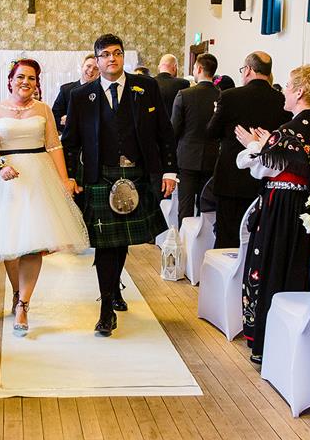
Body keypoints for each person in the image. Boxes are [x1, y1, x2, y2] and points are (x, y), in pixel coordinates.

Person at [0, 59, 89, 336]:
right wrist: (1, 166)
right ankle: (17, 292)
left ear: (36, 83)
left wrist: (64, 179)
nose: (25, 82)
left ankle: (24, 304)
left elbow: (53, 145)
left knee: (32, 245)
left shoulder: (43, 110)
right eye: (20, 77)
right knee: (10, 242)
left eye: (31, 78)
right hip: (6, 179)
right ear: (10, 80)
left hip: (39, 178)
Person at [62, 34, 177, 336]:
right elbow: (70, 143)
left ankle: (113, 291)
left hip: (138, 174)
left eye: (117, 53)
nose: (112, 59)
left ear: (123, 57)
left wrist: (170, 172)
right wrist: (71, 176)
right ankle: (105, 309)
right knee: (105, 244)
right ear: (96, 60)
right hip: (100, 177)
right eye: (105, 55)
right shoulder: (81, 96)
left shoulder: (147, 88)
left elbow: (165, 132)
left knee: (120, 242)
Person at [234, 65, 310, 362]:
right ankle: (294, 342)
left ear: (301, 91)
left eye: (289, 86)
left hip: (282, 208)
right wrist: (267, 143)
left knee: (272, 268)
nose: (284, 92)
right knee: (296, 268)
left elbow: (260, 166)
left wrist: (255, 145)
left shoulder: (290, 130)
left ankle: (267, 341)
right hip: (309, 207)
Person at [207, 51, 290, 248]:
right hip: (265, 178)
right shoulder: (281, 100)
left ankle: (226, 277)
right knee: (257, 237)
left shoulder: (229, 96)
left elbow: (211, 132)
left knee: (227, 235)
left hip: (231, 177)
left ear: (248, 70)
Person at [171, 52, 220, 226]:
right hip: (212, 157)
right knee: (206, 206)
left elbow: (174, 129)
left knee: (185, 206)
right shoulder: (222, 96)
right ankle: (202, 243)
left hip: (187, 157)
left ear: (199, 69)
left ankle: (183, 247)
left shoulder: (184, 94)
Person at [52, 54, 99, 130]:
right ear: (82, 67)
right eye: (88, 66)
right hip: (70, 138)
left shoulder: (102, 92)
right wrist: (65, 122)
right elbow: (54, 117)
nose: (91, 70)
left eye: (96, 68)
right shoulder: (66, 89)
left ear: (99, 73)